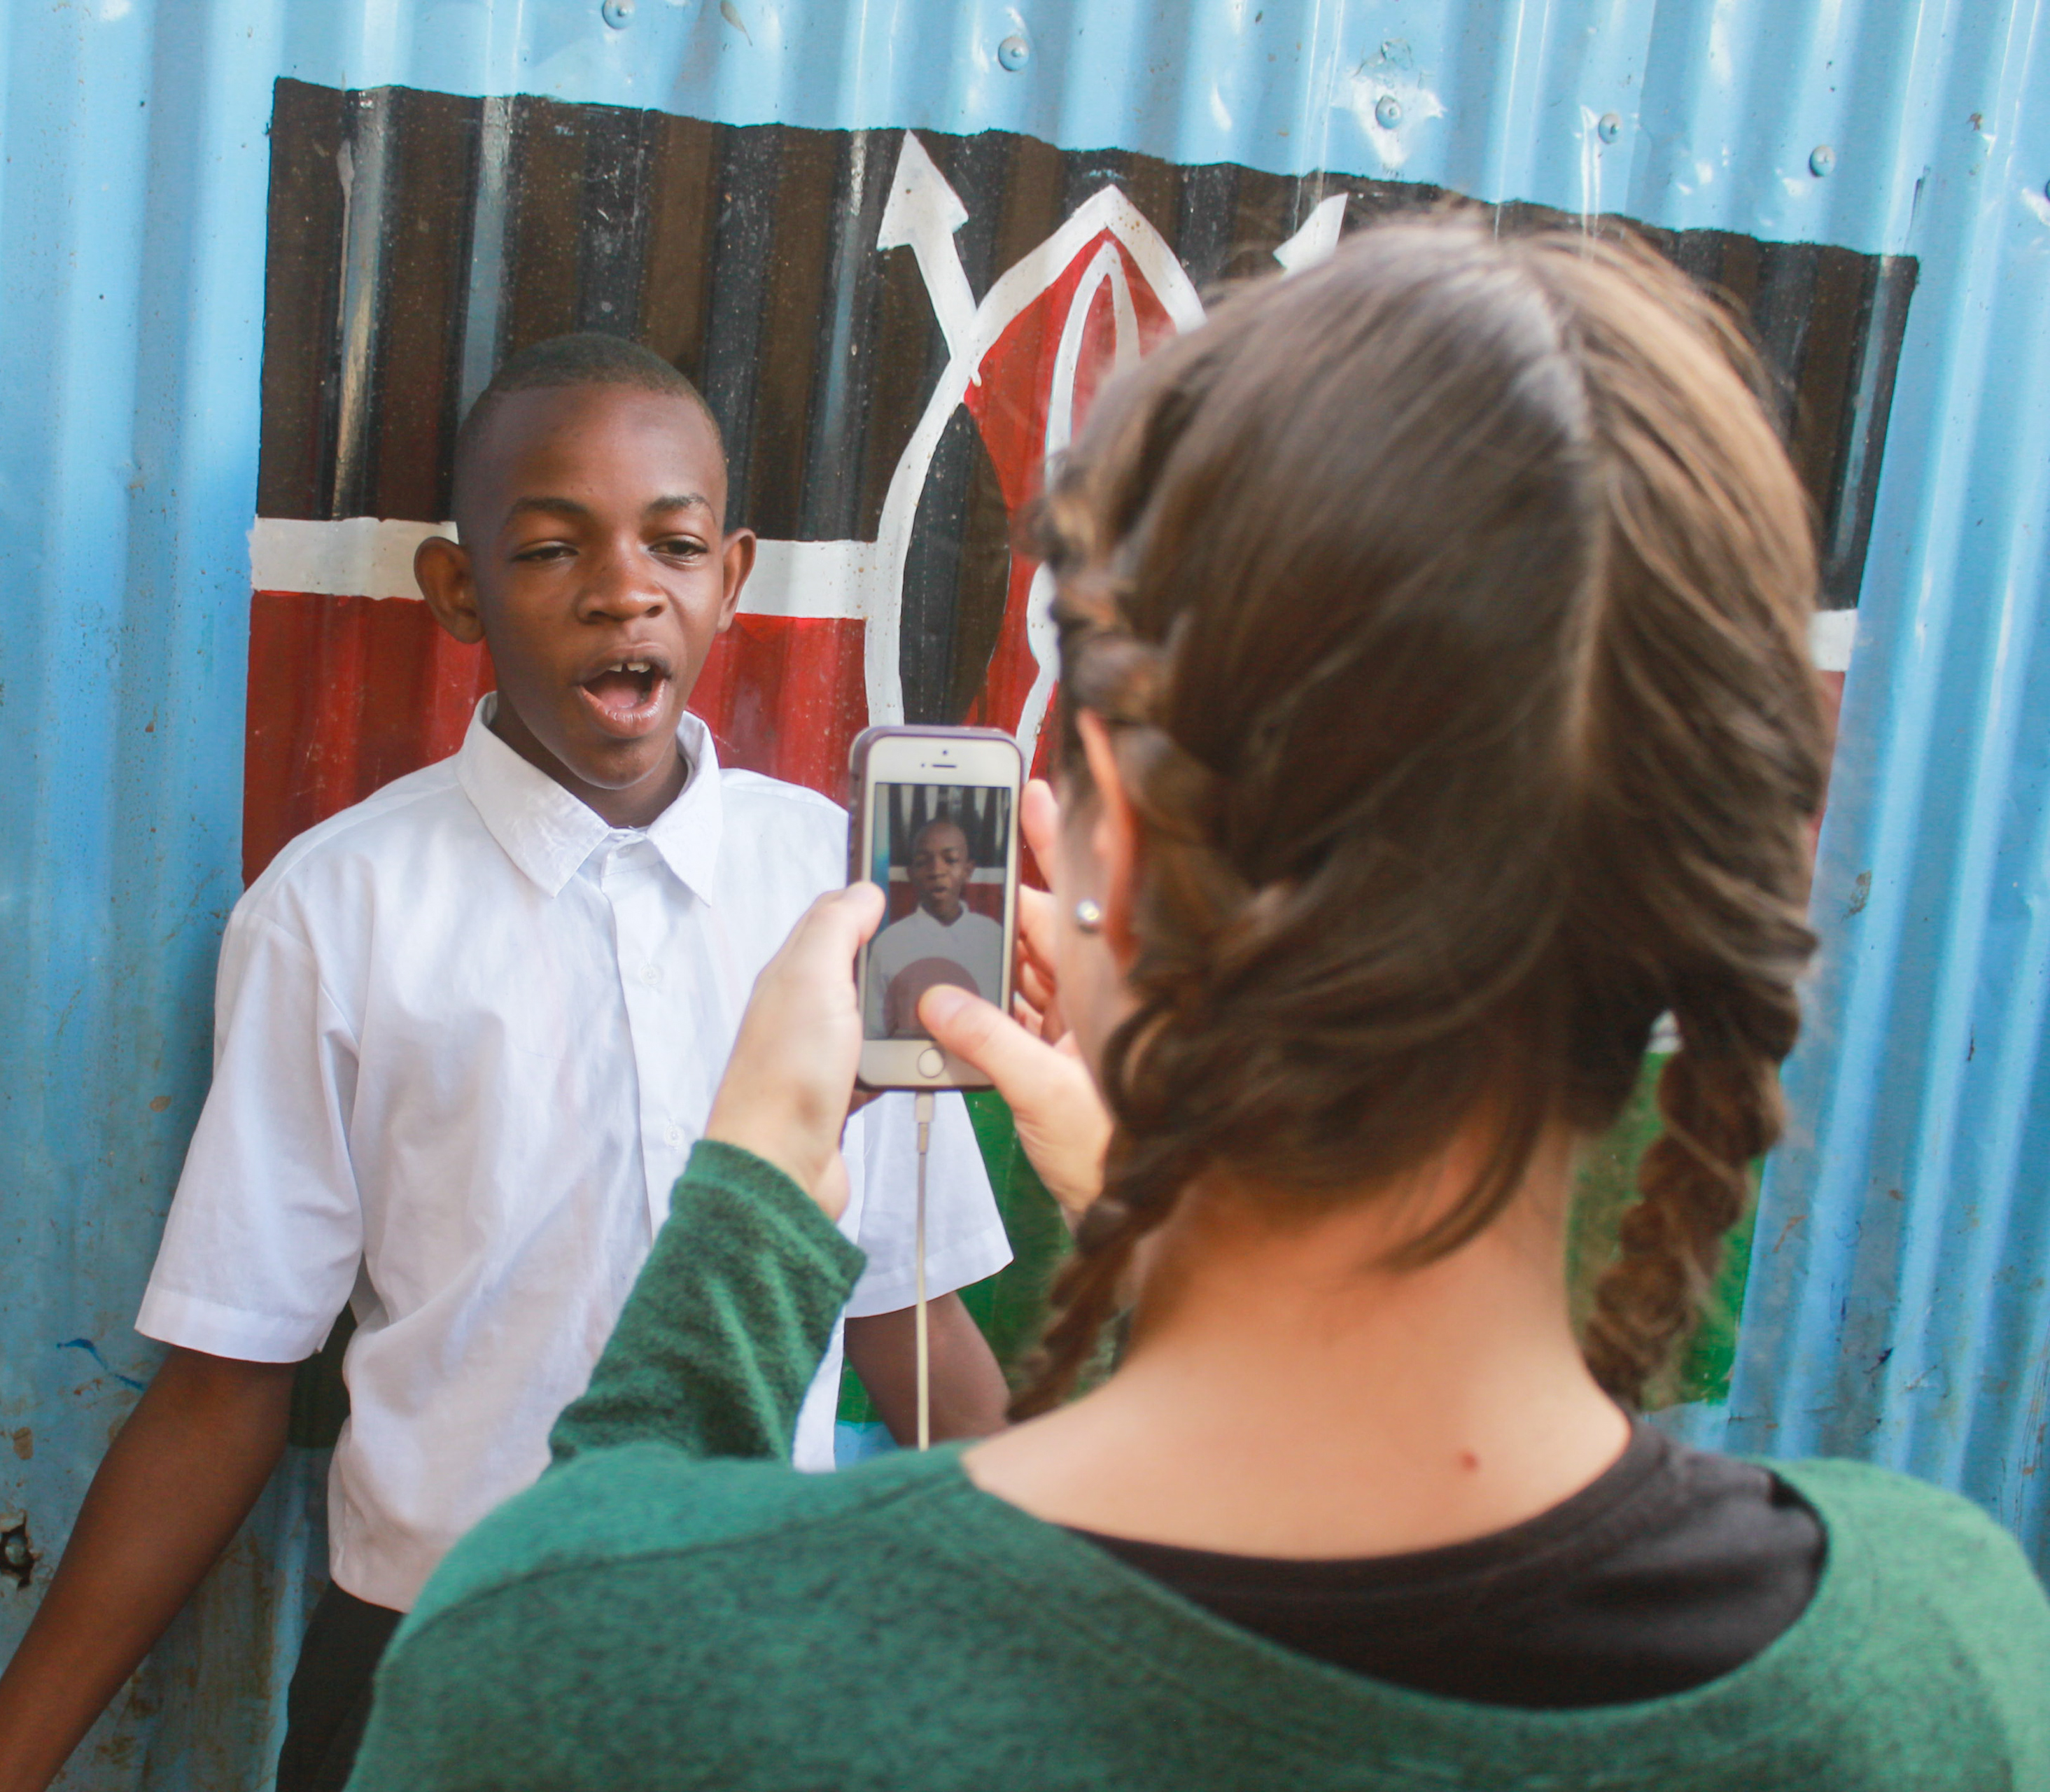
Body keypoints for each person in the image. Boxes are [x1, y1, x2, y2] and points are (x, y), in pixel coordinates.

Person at [344, 222, 2050, 1788]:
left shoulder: (575, 1657)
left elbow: (598, 1586)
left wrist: (753, 1190)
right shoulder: (1941, 1653)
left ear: (1121, 843)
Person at [0, 336, 1011, 1792]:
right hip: (431, 1661)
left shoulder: (833, 884)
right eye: (553, 545)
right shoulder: (338, 909)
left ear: (733, 576)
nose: (624, 587)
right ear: (459, 590)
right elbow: (225, 1382)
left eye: (674, 543)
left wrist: (1071, 1618)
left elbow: (908, 1316)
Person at [864, 813, 1009, 1035]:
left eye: (950, 860)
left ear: (968, 871)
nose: (937, 871)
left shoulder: (994, 938)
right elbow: (873, 1029)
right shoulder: (890, 943)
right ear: (911, 874)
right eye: (924, 862)